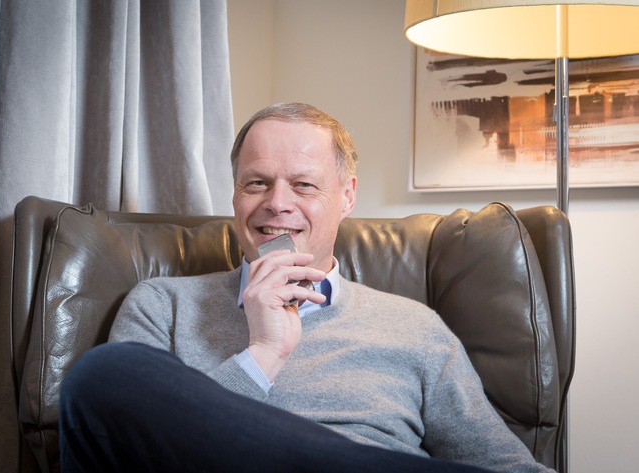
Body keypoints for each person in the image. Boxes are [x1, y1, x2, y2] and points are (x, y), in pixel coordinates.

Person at [59, 102, 554, 473]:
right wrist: (264, 353)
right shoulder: (162, 306)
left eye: (304, 185)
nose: (277, 204)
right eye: (256, 183)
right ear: (234, 195)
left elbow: (505, 464)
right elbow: (124, 447)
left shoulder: (417, 330)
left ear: (347, 196)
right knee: (104, 374)